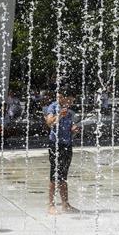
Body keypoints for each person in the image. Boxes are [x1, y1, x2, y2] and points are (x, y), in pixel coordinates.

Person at [45, 87, 80, 215]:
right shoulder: (53, 107)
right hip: (55, 145)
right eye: (69, 100)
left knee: (63, 176)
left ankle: (65, 204)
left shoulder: (70, 112)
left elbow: (69, 127)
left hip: (67, 144)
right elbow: (49, 122)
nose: (70, 103)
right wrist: (59, 115)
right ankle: (51, 205)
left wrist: (74, 129)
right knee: (54, 176)